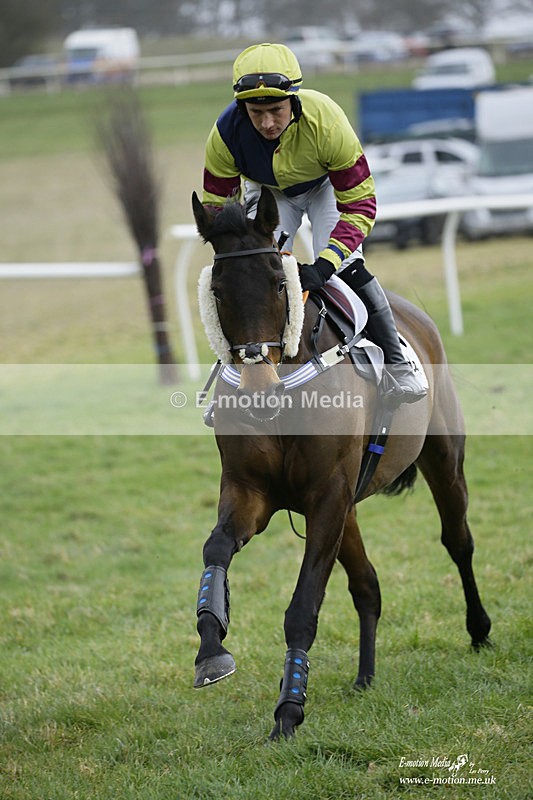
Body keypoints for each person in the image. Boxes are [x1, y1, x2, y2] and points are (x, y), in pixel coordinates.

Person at [201, 42, 427, 403]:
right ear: (242, 108)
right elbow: (216, 208)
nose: (267, 123)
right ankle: (239, 372)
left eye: (276, 110)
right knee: (253, 271)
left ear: (293, 99)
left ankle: (397, 362)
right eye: (256, 113)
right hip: (269, 194)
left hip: (325, 188)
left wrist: (324, 265)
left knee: (348, 267)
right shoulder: (225, 134)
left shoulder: (328, 122)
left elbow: (360, 205)